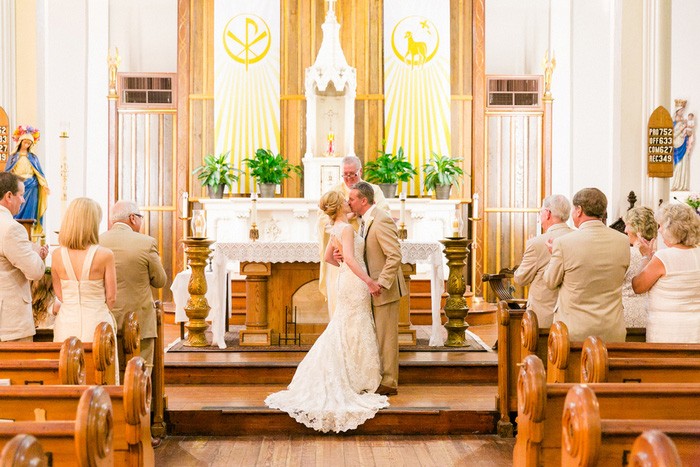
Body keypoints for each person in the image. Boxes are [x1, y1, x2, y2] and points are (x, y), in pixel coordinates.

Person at [265, 191, 389, 432]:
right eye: (345, 200)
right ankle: (358, 378)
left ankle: (352, 372)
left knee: (345, 325)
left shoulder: (336, 228)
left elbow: (328, 259)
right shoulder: (347, 229)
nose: (348, 202)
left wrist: (344, 263)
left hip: (346, 281)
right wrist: (369, 281)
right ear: (339, 207)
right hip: (356, 282)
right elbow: (351, 260)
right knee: (356, 325)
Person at [543, 188, 629, 342]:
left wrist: (554, 256)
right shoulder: (623, 241)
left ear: (579, 210)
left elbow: (550, 282)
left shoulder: (564, 243)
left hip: (575, 332)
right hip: (612, 330)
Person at [348, 181, 406, 395]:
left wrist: (380, 282)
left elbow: (395, 255)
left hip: (384, 289)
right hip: (372, 288)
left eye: (352, 199)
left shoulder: (381, 220)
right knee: (377, 336)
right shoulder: (363, 219)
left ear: (364, 200)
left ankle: (390, 382)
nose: (348, 202)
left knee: (386, 337)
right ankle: (378, 376)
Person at [51, 198, 119, 382]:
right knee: (101, 374)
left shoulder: (57, 254)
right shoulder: (105, 254)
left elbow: (60, 294)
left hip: (66, 321)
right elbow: (111, 297)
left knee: (68, 374)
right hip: (97, 321)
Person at [317, 156, 389, 318]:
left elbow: (384, 215)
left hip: (369, 252)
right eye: (345, 174)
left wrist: (360, 213)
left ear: (360, 171)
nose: (349, 178)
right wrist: (338, 239)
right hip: (342, 256)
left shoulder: (373, 190)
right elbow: (323, 219)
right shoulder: (334, 192)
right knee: (341, 308)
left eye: (352, 174)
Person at [99, 200, 167, 371]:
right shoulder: (147, 243)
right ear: (132, 218)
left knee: (112, 370)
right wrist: (156, 260)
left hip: (106, 318)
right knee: (140, 372)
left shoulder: (97, 241)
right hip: (139, 320)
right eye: (140, 217)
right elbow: (160, 281)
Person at [632, 203, 700, 343]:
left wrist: (646, 257)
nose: (660, 230)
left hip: (669, 332)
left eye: (661, 226)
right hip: (695, 331)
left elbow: (638, 286)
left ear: (672, 229)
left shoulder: (664, 257)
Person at [0, 172, 48, 342]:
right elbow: (35, 271)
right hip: (9, 324)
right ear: (8, 196)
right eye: (21, 195)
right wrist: (34, 251)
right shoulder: (11, 228)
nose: (23, 200)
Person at [513, 194, 573, 328]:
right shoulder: (578, 238)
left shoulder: (536, 243)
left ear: (547, 214)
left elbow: (520, 278)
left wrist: (529, 252)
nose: (540, 217)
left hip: (544, 317)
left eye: (540, 213)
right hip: (572, 316)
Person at [6, 126, 50, 236]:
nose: (26, 145)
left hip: (32, 188)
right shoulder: (13, 157)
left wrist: (44, 185)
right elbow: (8, 173)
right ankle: (16, 233)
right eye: (25, 142)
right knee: (16, 211)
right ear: (20, 142)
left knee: (30, 213)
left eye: (29, 143)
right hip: (17, 186)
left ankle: (30, 234)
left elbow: (39, 173)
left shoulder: (33, 158)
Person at [621, 206, 657, 328]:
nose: (625, 230)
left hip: (625, 314)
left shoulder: (626, 254)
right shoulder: (658, 256)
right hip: (650, 315)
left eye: (627, 225)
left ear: (637, 228)